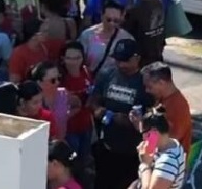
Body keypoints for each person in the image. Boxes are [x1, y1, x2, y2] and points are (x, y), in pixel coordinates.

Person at [89, 39, 153, 189]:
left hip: (133, 152)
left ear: (137, 58)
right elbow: (94, 99)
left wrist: (149, 154)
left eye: (125, 60)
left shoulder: (146, 82)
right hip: (107, 147)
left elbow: (155, 122)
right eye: (118, 60)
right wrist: (98, 111)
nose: (121, 64)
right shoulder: (107, 74)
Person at [140, 62, 193, 157]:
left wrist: (142, 128)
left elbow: (170, 140)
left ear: (161, 83)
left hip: (169, 162)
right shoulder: (162, 99)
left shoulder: (178, 106)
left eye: (149, 87)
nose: (147, 90)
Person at [79, 0, 135, 77]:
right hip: (92, 78)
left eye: (116, 21)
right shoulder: (87, 35)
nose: (112, 23)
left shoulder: (126, 38)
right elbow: (80, 60)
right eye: (108, 19)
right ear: (102, 16)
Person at [135, 107, 187, 189]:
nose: (143, 138)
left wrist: (145, 164)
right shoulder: (171, 143)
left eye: (143, 133)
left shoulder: (168, 162)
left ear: (153, 131)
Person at [124, 0, 165, 66]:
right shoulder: (158, 3)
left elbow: (125, 34)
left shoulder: (135, 11)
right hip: (157, 57)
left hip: (141, 63)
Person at [59, 42, 94, 158]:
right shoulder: (59, 79)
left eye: (77, 58)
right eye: (69, 58)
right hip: (69, 130)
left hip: (86, 126)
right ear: (63, 59)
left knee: (85, 158)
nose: (73, 62)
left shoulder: (86, 72)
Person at [9, 19, 64, 83]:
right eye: (44, 31)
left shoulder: (45, 45)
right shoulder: (19, 53)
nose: (47, 34)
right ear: (33, 36)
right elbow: (14, 80)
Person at [32, 61, 69, 140]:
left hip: (59, 143)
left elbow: (77, 104)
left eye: (59, 78)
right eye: (53, 80)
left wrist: (68, 114)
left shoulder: (62, 94)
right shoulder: (33, 101)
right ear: (39, 82)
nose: (57, 82)